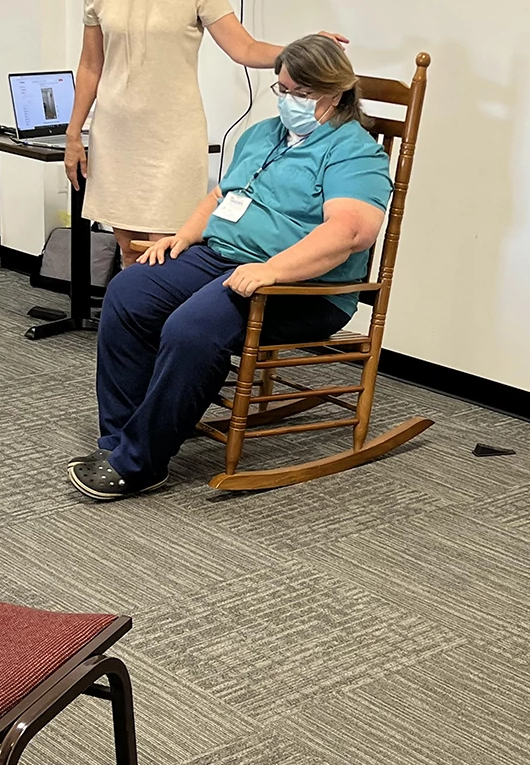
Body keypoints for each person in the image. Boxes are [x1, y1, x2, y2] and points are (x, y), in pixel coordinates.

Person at [67, 35, 392, 501]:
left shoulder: (353, 151)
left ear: (336, 93)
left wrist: (273, 270)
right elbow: (222, 196)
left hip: (302, 286)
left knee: (192, 327)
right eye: (283, 89)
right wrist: (183, 236)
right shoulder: (262, 134)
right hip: (221, 256)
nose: (289, 102)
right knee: (129, 292)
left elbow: (351, 232)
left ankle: (139, 463)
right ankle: (119, 439)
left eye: (302, 93)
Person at [64, 0, 346, 266]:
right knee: (127, 248)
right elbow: (91, 65)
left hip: (171, 137)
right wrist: (74, 134)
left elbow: (243, 47)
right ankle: (127, 311)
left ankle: (160, 311)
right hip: (116, 133)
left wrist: (301, 48)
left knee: (164, 251)